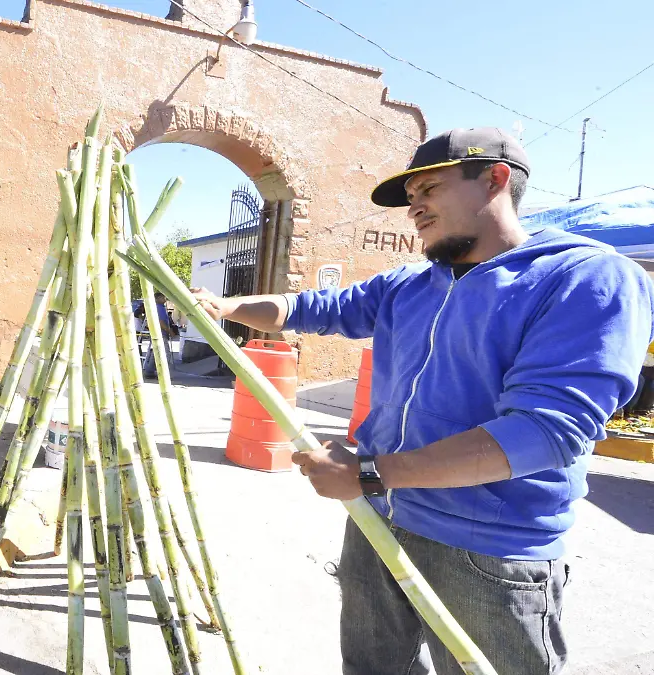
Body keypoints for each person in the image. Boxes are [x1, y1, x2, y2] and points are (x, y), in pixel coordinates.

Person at [191, 128, 654, 675]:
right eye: (410, 199)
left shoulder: (580, 276)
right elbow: (311, 308)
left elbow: (546, 431)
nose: (414, 209)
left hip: (487, 551)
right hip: (379, 520)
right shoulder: (411, 284)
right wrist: (226, 306)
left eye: (429, 189)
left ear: (495, 179)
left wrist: (370, 472)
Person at [142, 292, 179, 377]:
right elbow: (161, 322)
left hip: (158, 333)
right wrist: (170, 331)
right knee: (166, 354)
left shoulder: (160, 308)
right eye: (163, 297)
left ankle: (149, 372)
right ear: (158, 299)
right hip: (160, 333)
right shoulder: (159, 308)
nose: (165, 299)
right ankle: (163, 374)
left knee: (157, 352)